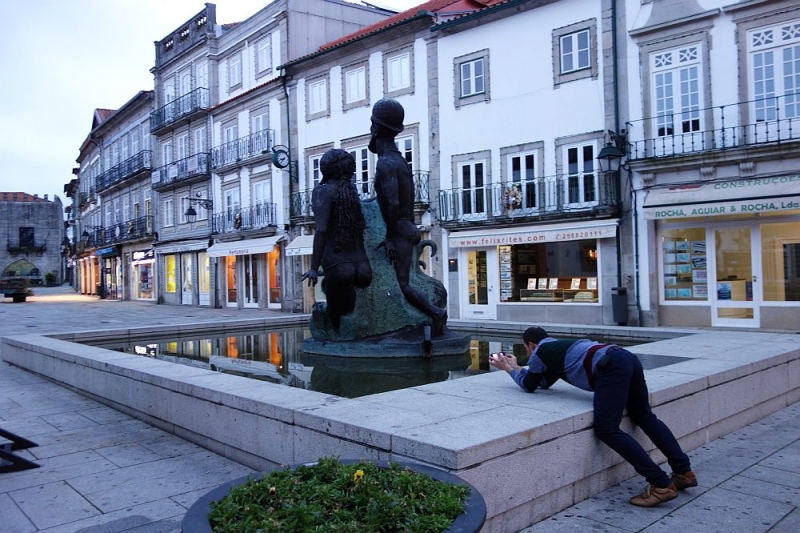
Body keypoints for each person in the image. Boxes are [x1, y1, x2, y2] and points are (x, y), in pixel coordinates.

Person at [489, 326, 698, 507]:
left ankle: (661, 485)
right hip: (624, 357)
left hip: (609, 367)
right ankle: (683, 473)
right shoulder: (556, 347)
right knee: (644, 416)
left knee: (607, 429)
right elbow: (542, 383)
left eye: (526, 348)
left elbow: (529, 385)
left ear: (531, 345)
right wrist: (516, 366)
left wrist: (507, 369)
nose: (528, 353)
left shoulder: (540, 352)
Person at [369, 98, 447, 336]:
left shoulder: (385, 163)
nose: (370, 129)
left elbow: (392, 202)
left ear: (378, 128)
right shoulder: (400, 161)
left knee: (404, 284)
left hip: (400, 230)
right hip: (407, 227)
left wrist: (390, 235)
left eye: (372, 124)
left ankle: (435, 313)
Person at [301, 149, 372, 330]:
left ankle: (335, 336)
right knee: (349, 309)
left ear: (325, 169)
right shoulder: (350, 192)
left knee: (336, 318)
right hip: (363, 267)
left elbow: (322, 230)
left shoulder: (323, 191)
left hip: (338, 263)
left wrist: (313, 268)